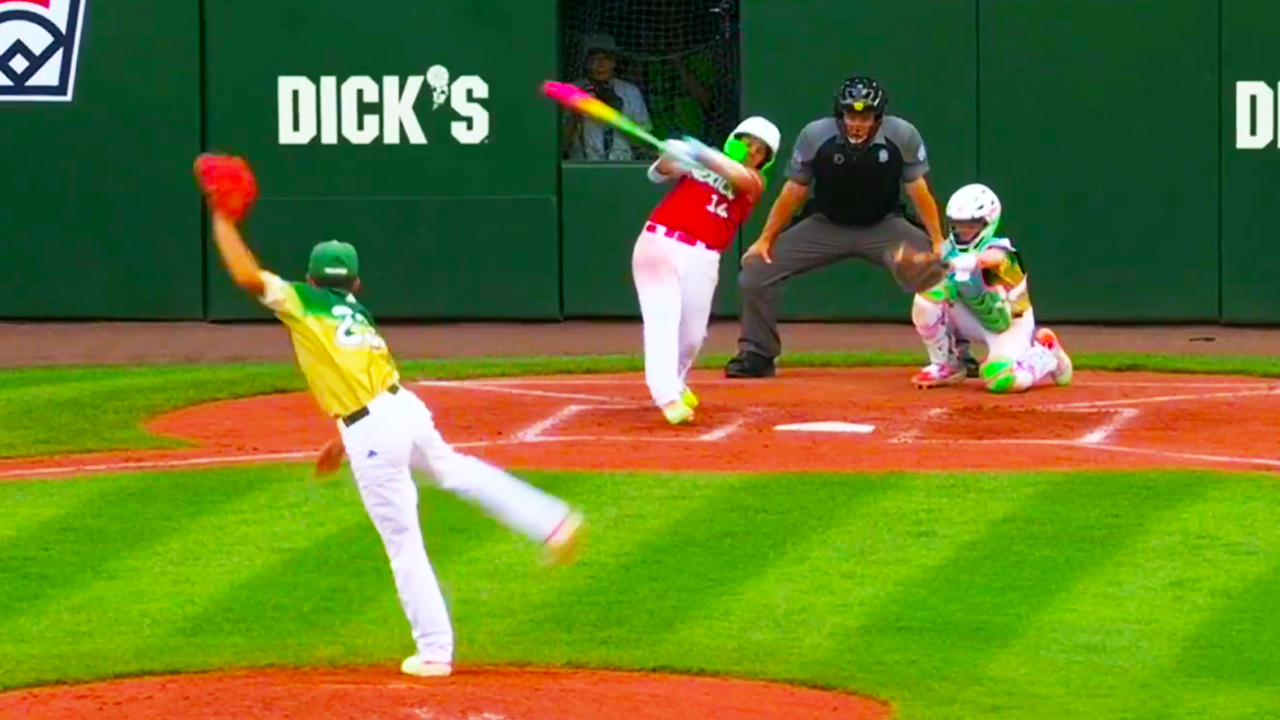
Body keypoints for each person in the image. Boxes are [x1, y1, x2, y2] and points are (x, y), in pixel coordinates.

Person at [194, 154, 585, 679]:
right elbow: (356, 376)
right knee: (454, 470)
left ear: (312, 277)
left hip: (374, 427)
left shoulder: (302, 301)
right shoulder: (357, 311)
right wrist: (338, 442)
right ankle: (552, 521)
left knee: (404, 542)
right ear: (355, 283)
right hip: (404, 408)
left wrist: (222, 217)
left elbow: (245, 274)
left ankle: (434, 652)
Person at [724, 76, 979, 379]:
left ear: (878, 117)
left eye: (865, 117)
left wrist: (937, 240)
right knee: (756, 270)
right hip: (826, 225)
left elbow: (918, 189)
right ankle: (757, 354)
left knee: (943, 269)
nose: (857, 123)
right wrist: (765, 239)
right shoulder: (815, 136)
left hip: (884, 226)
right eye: (851, 115)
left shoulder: (902, 135)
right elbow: (794, 190)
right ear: (839, 114)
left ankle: (957, 354)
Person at [633, 117, 782, 424]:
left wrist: (699, 152)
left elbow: (738, 178)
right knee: (663, 320)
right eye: (746, 141)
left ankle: (676, 380)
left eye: (759, 149)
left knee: (692, 335)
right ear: (733, 138)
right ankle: (667, 396)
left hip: (704, 256)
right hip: (659, 243)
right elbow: (657, 174)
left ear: (765, 160)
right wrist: (670, 156)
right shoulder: (697, 161)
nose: (751, 150)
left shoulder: (754, 181)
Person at [910, 182, 1073, 392]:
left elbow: (993, 258)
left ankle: (1046, 355)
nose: (964, 231)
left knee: (999, 379)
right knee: (928, 296)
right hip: (970, 315)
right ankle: (946, 364)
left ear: (988, 222)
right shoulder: (948, 249)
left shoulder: (1002, 250)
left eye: (972, 225)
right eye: (958, 225)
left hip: (1008, 326)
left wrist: (970, 261)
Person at [563, 33, 652, 161]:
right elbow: (560, 144)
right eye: (594, 59)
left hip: (622, 166)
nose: (600, 64)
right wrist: (576, 115)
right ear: (586, 62)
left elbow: (645, 143)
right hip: (582, 166)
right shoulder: (571, 91)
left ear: (615, 62)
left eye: (607, 58)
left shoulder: (630, 92)